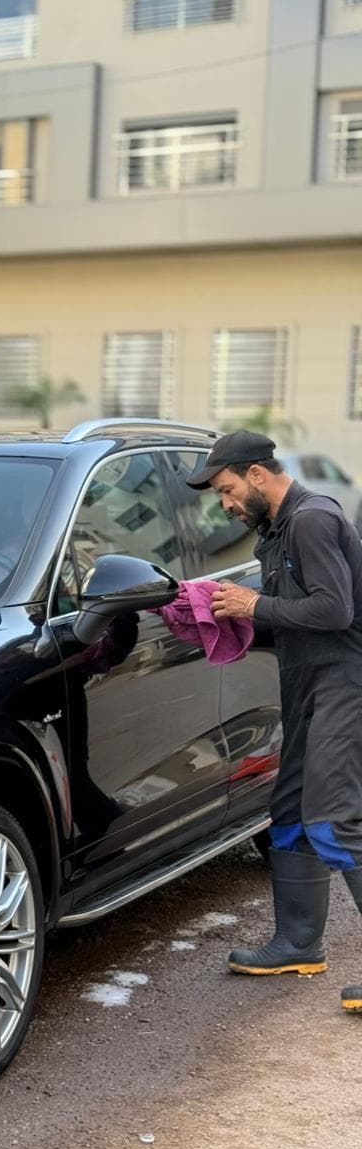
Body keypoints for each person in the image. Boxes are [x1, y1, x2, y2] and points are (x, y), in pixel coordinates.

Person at [186, 430, 362, 1011]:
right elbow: (292, 617)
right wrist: (211, 612)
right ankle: (298, 942)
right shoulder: (274, 532)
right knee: (287, 813)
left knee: (334, 817)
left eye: (228, 490)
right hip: (308, 685)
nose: (226, 505)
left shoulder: (312, 520)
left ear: (258, 474)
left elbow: (334, 610)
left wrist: (253, 605)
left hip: (348, 683)